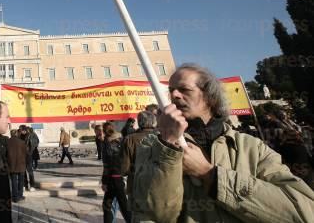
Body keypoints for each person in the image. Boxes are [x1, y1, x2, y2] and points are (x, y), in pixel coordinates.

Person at [133, 63, 314, 222]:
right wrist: (168, 146)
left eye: (184, 90)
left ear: (210, 97)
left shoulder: (251, 147)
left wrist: (209, 174)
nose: (174, 95)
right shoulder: (152, 145)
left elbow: (303, 212)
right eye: (171, 90)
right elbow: (154, 214)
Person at [120, 110, 157, 206]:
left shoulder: (130, 139)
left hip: (135, 183)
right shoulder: (160, 137)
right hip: (157, 183)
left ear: (139, 122)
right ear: (153, 121)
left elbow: (124, 166)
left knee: (136, 215)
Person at [101, 122, 130, 223]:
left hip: (112, 179)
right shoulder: (122, 140)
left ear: (104, 131)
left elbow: (107, 165)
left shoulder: (107, 143)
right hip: (120, 177)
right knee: (123, 206)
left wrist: (104, 182)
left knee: (109, 206)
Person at [8, 129, 27, 203]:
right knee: (21, 181)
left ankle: (15, 197)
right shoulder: (22, 142)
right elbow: (26, 153)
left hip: (11, 165)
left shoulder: (7, 142)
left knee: (13, 181)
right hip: (21, 164)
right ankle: (20, 195)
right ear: (16, 134)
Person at [21, 125, 39, 191]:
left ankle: (32, 185)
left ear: (25, 130)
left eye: (22, 130)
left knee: (30, 171)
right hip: (22, 156)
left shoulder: (31, 136)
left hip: (28, 156)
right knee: (23, 171)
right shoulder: (21, 136)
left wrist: (29, 153)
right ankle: (25, 185)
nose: (21, 131)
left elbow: (34, 144)